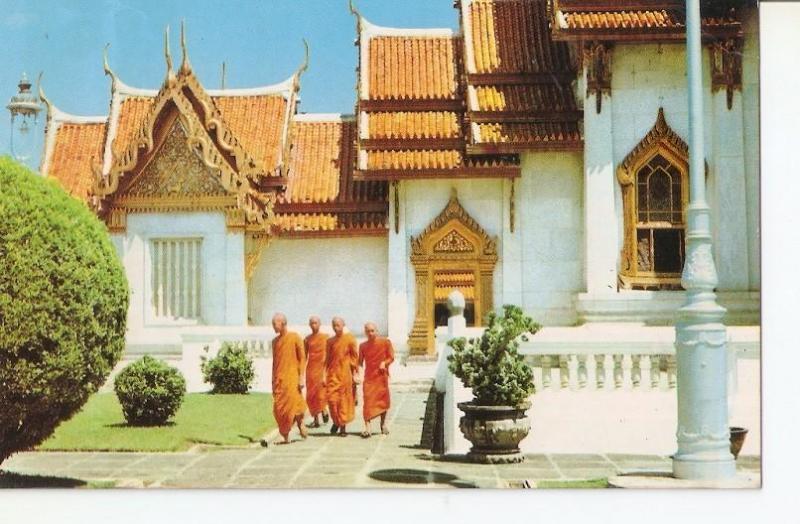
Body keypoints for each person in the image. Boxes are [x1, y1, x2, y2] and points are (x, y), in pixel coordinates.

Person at [270, 312, 308, 444]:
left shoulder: (295, 337)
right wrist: (273, 382)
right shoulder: (275, 342)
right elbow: (275, 363)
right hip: (279, 379)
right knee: (279, 408)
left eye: (275, 324)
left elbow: (302, 358)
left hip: (292, 377)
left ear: (283, 323)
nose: (273, 327)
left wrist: (302, 376)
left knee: (295, 402)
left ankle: (300, 422)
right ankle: (285, 435)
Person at [358, 322, 394, 438]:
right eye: (368, 331)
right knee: (368, 401)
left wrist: (385, 362)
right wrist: (356, 373)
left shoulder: (385, 342)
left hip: (381, 376)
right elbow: (359, 362)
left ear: (377, 331)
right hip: (369, 377)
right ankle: (368, 428)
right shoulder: (362, 346)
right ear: (365, 332)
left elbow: (391, 357)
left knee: (382, 401)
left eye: (372, 330)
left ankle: (383, 424)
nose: (370, 333)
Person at [325, 316, 358, 437]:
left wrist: (355, 372)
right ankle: (337, 421)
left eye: (338, 324)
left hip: (345, 375)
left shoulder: (350, 339)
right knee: (332, 401)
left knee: (343, 401)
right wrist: (325, 375)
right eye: (333, 325)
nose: (335, 327)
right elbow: (327, 359)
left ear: (343, 325)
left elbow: (355, 357)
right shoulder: (330, 341)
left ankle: (343, 427)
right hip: (332, 375)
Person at [304, 316, 330, 428]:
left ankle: (324, 409)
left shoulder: (326, 338)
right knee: (311, 395)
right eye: (312, 323)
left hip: (322, 367)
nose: (314, 325)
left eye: (316, 323)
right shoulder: (307, 339)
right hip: (311, 368)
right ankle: (316, 420)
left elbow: (330, 354)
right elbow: (304, 356)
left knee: (321, 392)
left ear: (320, 324)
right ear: (309, 325)